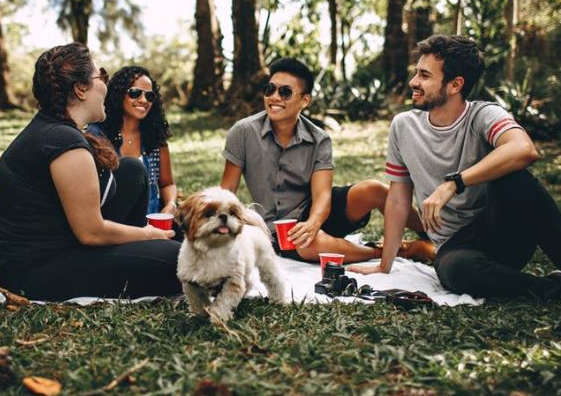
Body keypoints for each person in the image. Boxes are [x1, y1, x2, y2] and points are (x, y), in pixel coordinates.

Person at [350, 34, 561, 299]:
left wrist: (454, 182)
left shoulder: (484, 114)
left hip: (501, 231)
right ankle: (550, 290)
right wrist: (384, 265)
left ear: (454, 85)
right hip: (456, 247)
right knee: (456, 270)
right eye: (416, 73)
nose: (414, 82)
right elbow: (397, 201)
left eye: (425, 76)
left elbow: (524, 149)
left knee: (514, 178)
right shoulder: (403, 126)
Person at [0, 43, 181, 301]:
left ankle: (142, 250)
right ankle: (147, 250)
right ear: (81, 89)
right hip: (36, 270)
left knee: (132, 169)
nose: (106, 84)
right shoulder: (63, 142)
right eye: (101, 75)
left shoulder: (56, 130)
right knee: (181, 261)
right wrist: (148, 234)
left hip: (62, 243)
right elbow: (91, 232)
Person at [220, 57, 434, 263]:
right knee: (308, 244)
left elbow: (322, 195)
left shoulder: (319, 139)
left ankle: (434, 235)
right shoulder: (243, 132)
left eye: (285, 92)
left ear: (304, 100)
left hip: (316, 211)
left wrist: (313, 223)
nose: (274, 97)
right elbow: (226, 192)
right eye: (270, 89)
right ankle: (396, 251)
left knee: (374, 189)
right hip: (276, 229)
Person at [89, 66, 178, 215]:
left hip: (152, 225)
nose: (144, 100)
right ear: (119, 95)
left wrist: (171, 205)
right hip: (113, 225)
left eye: (150, 96)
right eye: (135, 93)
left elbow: (167, 184)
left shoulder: (155, 137)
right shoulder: (97, 135)